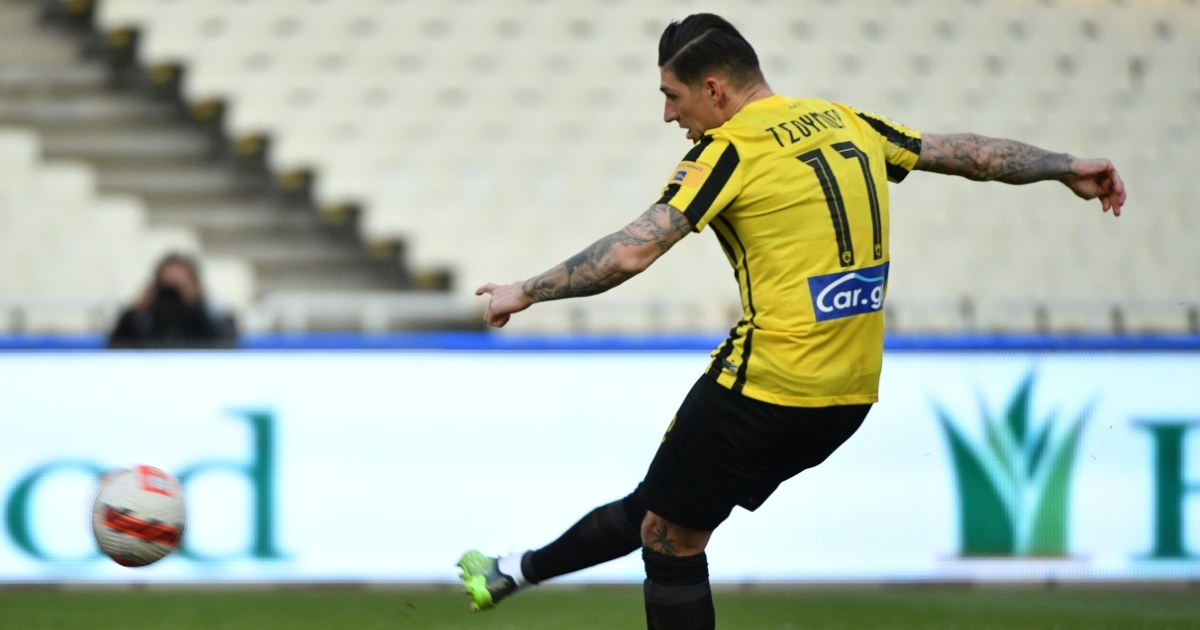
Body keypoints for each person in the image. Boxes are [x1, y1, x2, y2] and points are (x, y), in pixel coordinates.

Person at [459, 13, 1126, 630]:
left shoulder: (727, 152)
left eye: (672, 96)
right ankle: (513, 570)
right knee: (663, 508)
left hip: (765, 388)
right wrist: (1064, 166)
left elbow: (632, 251)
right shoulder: (845, 120)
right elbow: (965, 152)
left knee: (667, 537)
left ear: (714, 90)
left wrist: (527, 290)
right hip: (848, 398)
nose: (668, 115)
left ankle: (513, 571)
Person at [108, 253, 236, 349]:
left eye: (180, 286)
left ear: (195, 285)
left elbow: (222, 348)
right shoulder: (144, 320)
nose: (173, 295)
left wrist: (195, 308)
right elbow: (115, 349)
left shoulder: (216, 317)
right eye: (167, 287)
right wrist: (133, 313)